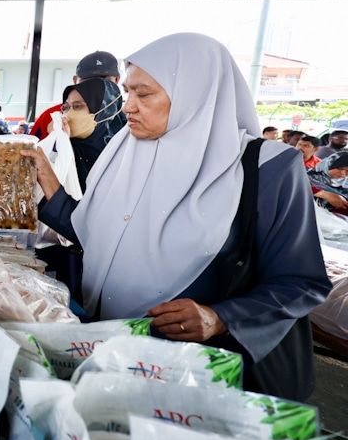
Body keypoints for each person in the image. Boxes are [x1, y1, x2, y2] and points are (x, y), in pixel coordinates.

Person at [28, 33, 329, 401]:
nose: (128, 107)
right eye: (128, 93)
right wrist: (49, 184)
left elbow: (300, 281)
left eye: (145, 94)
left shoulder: (265, 168)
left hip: (203, 376)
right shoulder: (124, 151)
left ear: (194, 93)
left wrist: (219, 317)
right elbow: (96, 233)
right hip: (113, 353)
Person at [31, 51, 121, 139]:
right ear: (75, 80)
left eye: (103, 81)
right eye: (87, 82)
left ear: (117, 80)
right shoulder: (50, 118)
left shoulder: (130, 124)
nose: (95, 88)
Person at [59, 78, 127, 191]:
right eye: (66, 107)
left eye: (77, 106)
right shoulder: (64, 148)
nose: (68, 114)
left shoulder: (124, 154)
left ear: (105, 111)